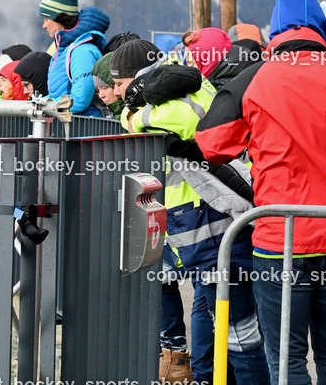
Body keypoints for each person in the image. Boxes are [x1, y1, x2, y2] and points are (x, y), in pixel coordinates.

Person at [196, 0, 326, 385]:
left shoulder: (254, 77)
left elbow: (211, 143)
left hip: (280, 240)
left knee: (286, 357)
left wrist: (254, 138)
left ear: (275, 30)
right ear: (322, 29)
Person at [112, 39, 269, 385]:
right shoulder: (176, 84)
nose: (118, 93)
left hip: (213, 228)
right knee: (228, 329)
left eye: (120, 84)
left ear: (138, 77)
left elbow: (185, 122)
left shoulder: (173, 97)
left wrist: (135, 114)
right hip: (207, 230)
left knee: (240, 335)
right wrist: (134, 111)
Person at [40, 0, 109, 116]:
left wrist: (45, 107)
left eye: (46, 20)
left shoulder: (82, 51)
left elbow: (80, 100)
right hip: (69, 124)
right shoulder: (62, 50)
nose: (44, 26)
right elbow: (57, 94)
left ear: (59, 18)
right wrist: (41, 103)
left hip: (86, 126)